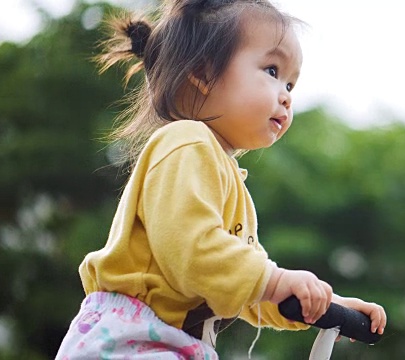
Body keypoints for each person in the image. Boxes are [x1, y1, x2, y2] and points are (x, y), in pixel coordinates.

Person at [55, 0, 386, 359]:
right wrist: (275, 281)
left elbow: (244, 286)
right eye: (273, 71)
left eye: (291, 84)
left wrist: (319, 301)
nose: (287, 97)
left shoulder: (227, 177)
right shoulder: (185, 142)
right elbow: (193, 250)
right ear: (204, 72)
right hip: (129, 341)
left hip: (170, 342)